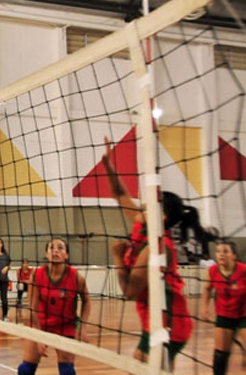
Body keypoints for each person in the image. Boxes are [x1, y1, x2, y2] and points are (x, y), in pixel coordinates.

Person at [103, 136, 199, 369]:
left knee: (142, 368)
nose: (143, 205)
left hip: (170, 323)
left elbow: (129, 291)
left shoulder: (157, 247)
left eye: (150, 204)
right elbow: (119, 195)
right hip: (156, 321)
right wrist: (108, 165)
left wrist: (117, 256)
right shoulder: (142, 225)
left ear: (161, 216)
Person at [18, 238, 91, 375]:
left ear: (66, 255)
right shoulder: (37, 275)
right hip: (41, 324)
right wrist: (40, 337)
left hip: (65, 325)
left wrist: (83, 327)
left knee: (67, 371)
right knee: (25, 370)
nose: (55, 250)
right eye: (51, 248)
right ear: (47, 254)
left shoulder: (76, 277)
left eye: (60, 248)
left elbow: (87, 301)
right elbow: (33, 309)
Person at [201, 240, 246, 375]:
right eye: (218, 251)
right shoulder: (213, 271)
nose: (221, 254)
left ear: (234, 255)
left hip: (245, 313)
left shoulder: (244, 269)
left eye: (225, 251)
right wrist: (204, 308)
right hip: (224, 314)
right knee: (220, 355)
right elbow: (207, 289)